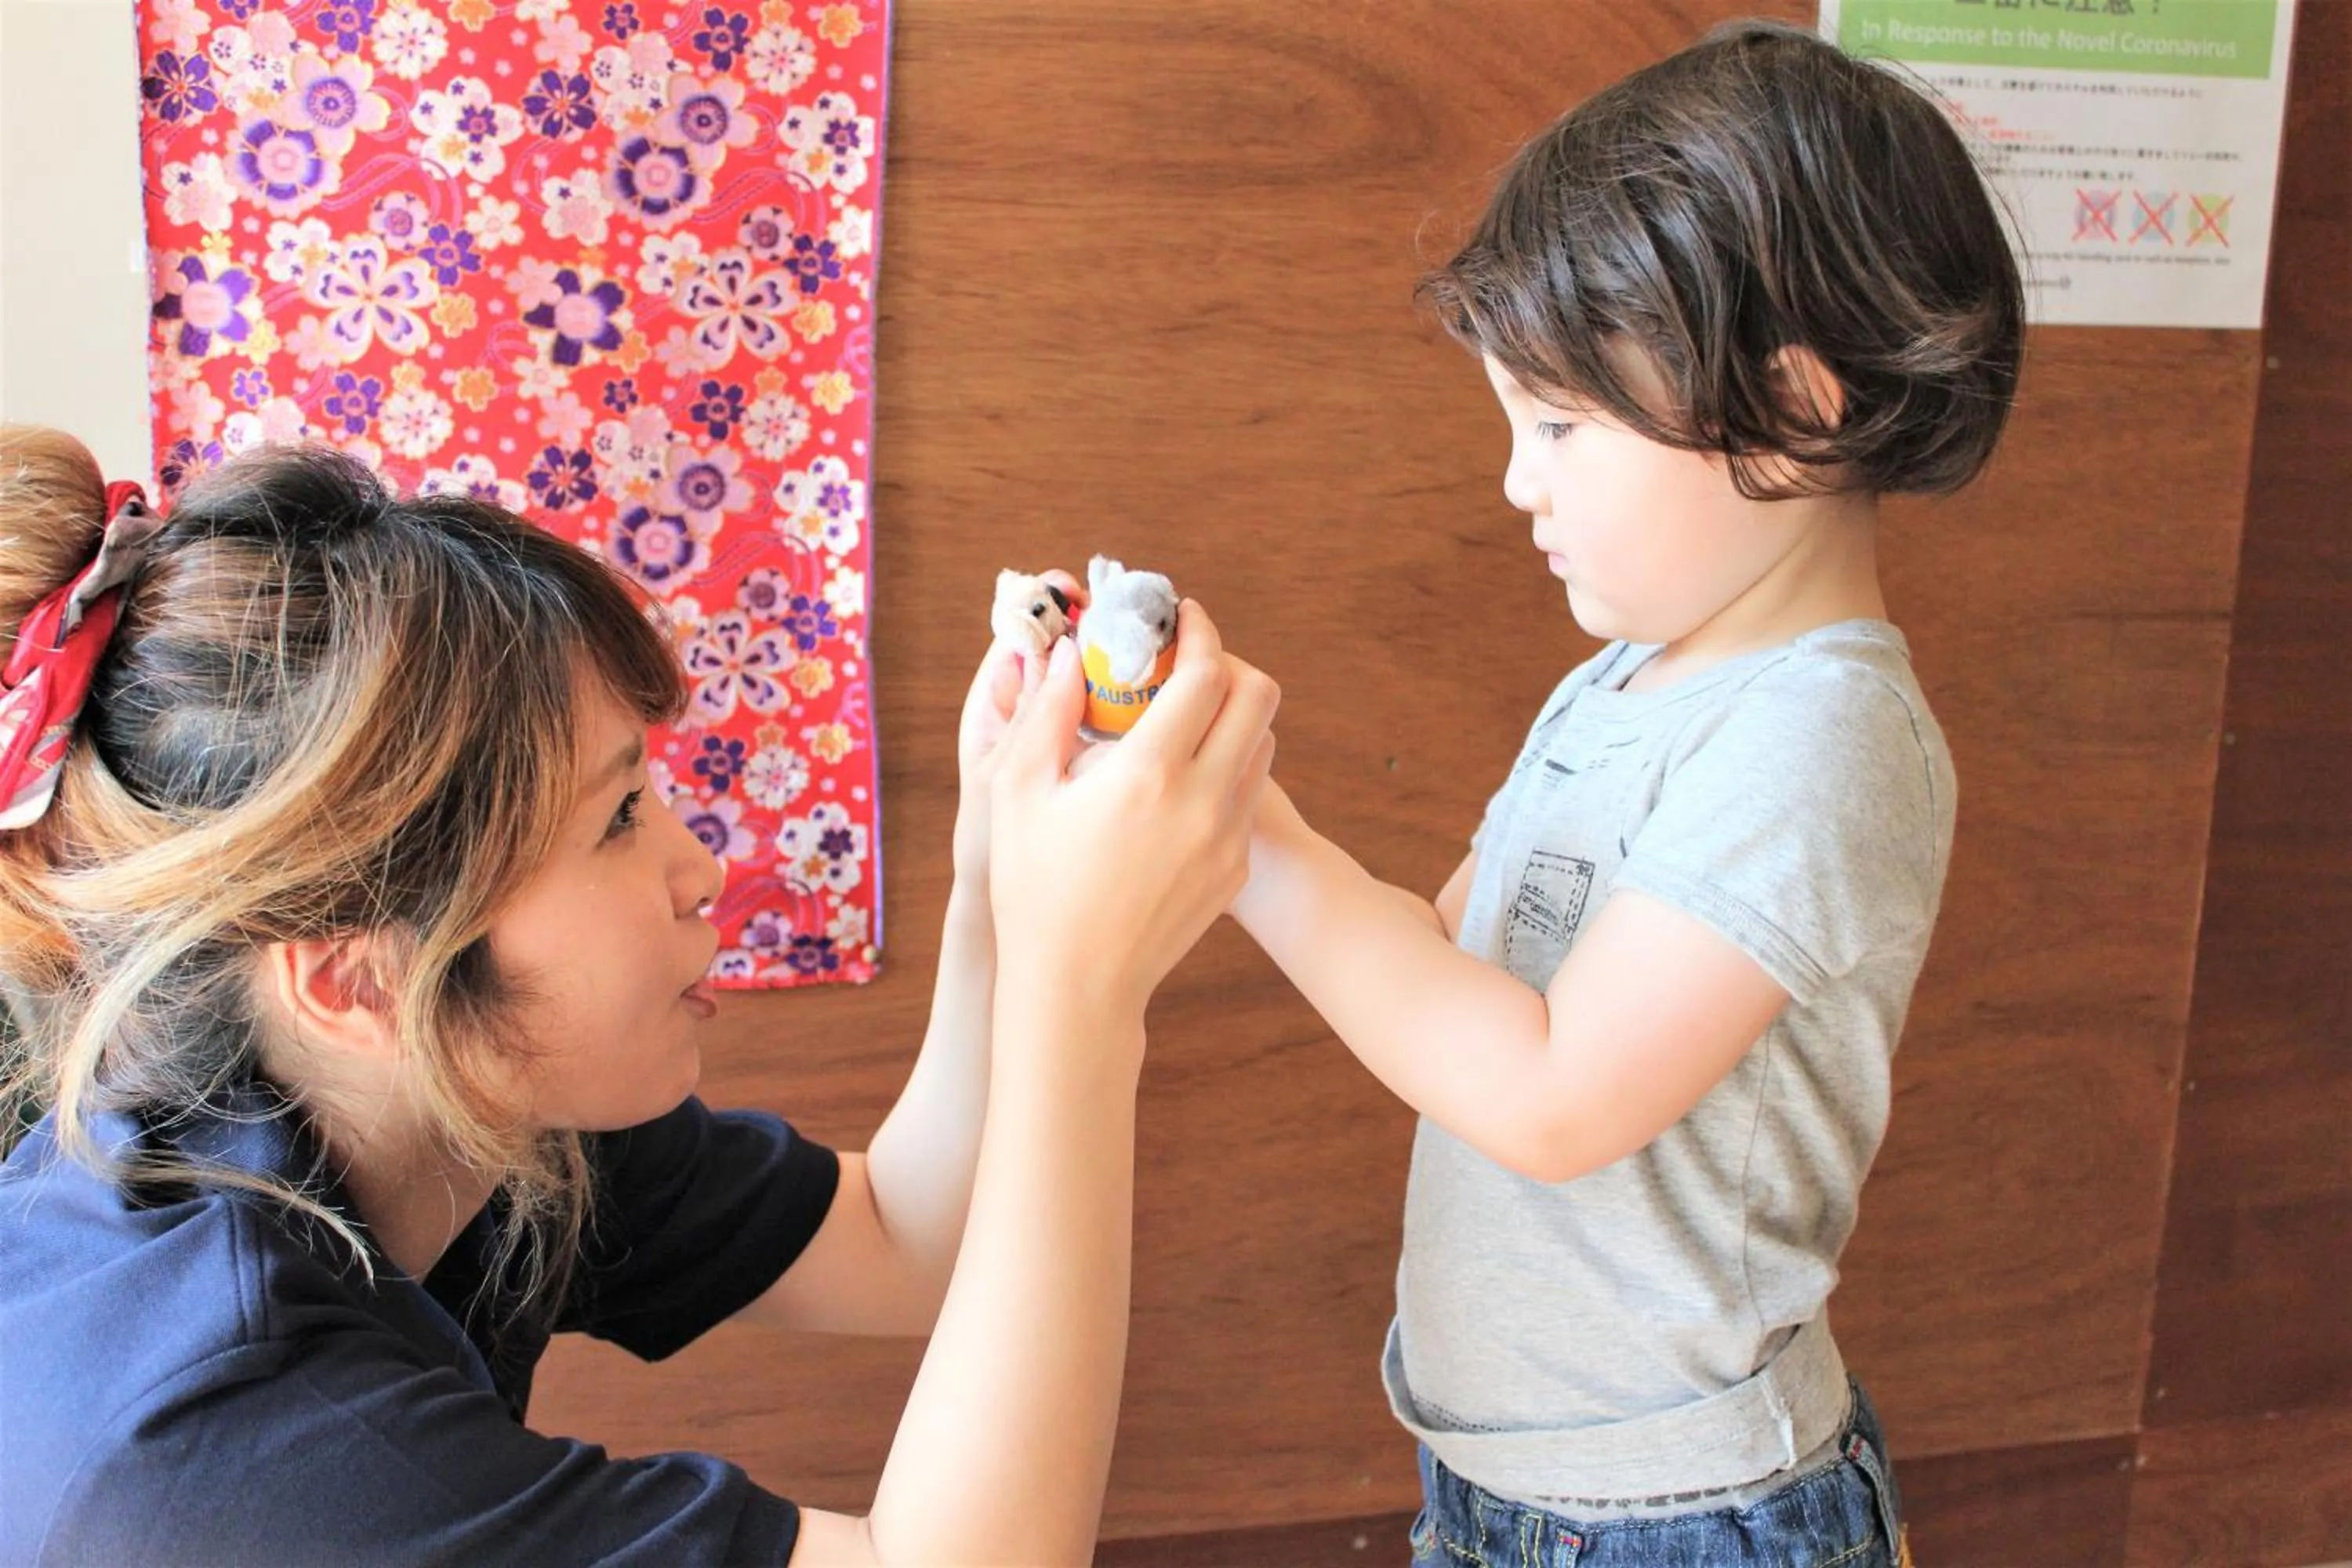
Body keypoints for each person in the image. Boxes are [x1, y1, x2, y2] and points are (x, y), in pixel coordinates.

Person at [0, 429, 1279, 1566]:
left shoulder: (453, 1101)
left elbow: (906, 1241)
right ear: (359, 977)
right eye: (617, 817)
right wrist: (1081, 993)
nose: (698, 869)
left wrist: (1000, 864)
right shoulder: (215, 1436)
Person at [1229, 20, 2023, 1566]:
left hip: (1689, 1523)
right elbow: (1449, 977)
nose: (1517, 481)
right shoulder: (1617, 687)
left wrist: (1255, 848)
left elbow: (1552, 1097)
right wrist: (1218, 784)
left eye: (1559, 425)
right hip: (1507, 1491)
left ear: (1796, 410)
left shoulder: (1818, 734)